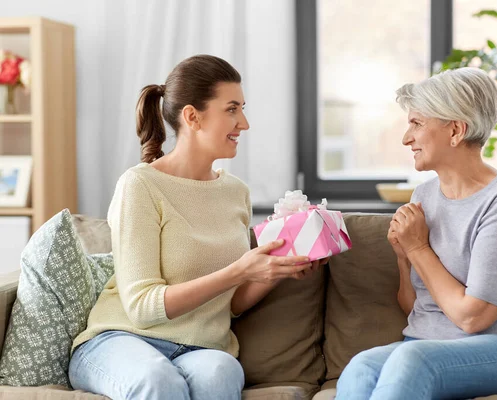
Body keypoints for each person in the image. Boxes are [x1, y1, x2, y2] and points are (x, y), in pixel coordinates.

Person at [68, 54, 327, 400]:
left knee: (222, 373)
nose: (244, 123)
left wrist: (276, 268)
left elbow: (230, 304)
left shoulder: (236, 192)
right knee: (158, 380)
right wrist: (239, 270)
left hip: (200, 349)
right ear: (192, 116)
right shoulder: (140, 185)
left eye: (242, 109)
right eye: (232, 109)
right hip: (121, 339)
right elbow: (142, 308)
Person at [336, 67, 497, 400]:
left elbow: (472, 317)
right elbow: (416, 307)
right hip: (425, 345)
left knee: (413, 358)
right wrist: (402, 256)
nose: (406, 137)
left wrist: (419, 248)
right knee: (361, 366)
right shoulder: (423, 197)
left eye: (417, 124)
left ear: (455, 131)